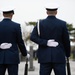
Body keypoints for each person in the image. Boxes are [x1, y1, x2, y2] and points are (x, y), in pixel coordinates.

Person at [30, 2, 71, 75]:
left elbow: (33, 37)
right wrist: (67, 54)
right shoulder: (62, 24)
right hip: (59, 56)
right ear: (56, 12)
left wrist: (45, 42)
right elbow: (66, 41)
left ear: (46, 12)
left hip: (44, 57)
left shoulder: (40, 23)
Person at [0, 6, 29, 75]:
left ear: (3, 14)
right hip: (12, 58)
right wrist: (24, 53)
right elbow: (20, 42)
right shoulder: (16, 26)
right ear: (12, 14)